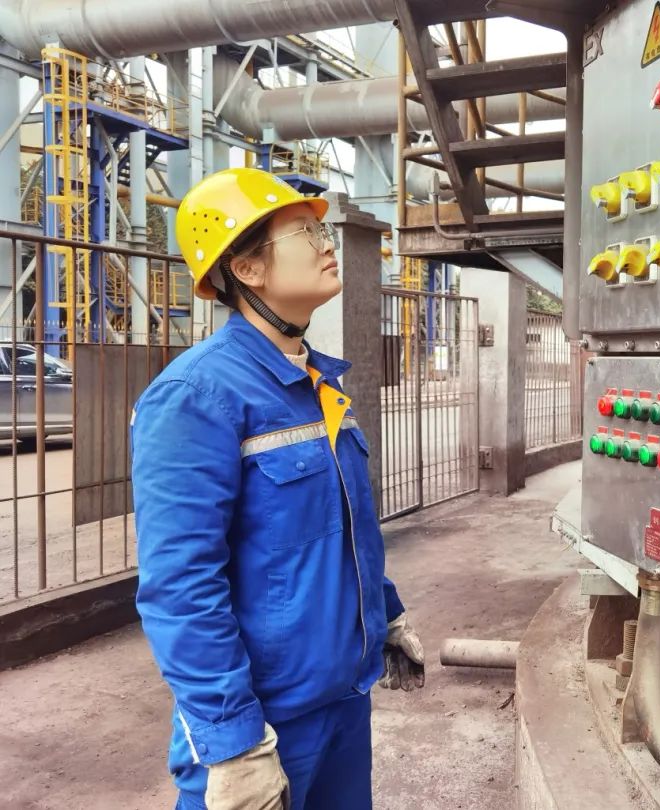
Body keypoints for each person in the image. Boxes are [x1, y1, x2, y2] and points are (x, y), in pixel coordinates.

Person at [131, 167, 425, 810]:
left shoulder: (317, 381)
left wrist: (384, 615)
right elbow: (180, 585)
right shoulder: (196, 396)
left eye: (322, 231)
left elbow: (341, 528)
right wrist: (233, 746)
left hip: (342, 701)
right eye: (305, 233)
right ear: (246, 269)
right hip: (264, 724)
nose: (326, 243)